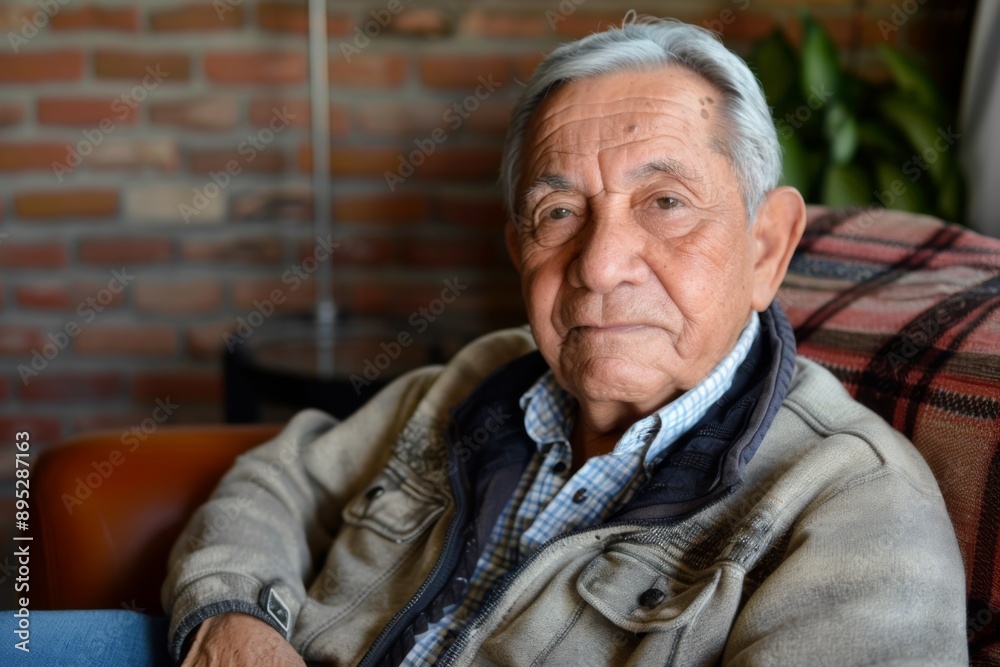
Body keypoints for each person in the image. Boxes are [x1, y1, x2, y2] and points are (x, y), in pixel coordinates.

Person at [3, 14, 967, 667]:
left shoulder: (849, 508)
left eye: (665, 204)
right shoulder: (475, 380)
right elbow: (280, 477)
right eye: (559, 214)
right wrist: (231, 611)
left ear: (767, 246)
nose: (598, 266)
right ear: (519, 248)